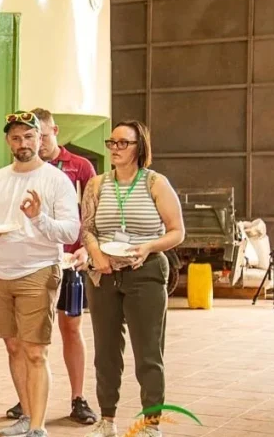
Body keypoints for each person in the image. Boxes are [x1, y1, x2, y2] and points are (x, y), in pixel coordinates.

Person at [0, 111, 80, 437]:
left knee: (35, 351)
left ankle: (37, 426)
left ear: (40, 138)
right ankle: (26, 414)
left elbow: (70, 231)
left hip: (38, 271)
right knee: (14, 347)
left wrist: (39, 217)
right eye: (16, 138)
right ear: (8, 141)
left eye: (29, 136)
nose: (23, 143)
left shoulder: (55, 180)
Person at [81, 121, 184, 437]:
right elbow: (87, 229)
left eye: (123, 143)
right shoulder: (97, 184)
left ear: (140, 147)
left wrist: (149, 247)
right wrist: (96, 253)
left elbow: (177, 231)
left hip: (146, 271)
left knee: (148, 353)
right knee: (106, 353)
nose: (115, 148)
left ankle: (151, 424)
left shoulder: (155, 183)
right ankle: (107, 419)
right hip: (104, 275)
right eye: (111, 142)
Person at [3, 109, 97, 425]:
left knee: (71, 328)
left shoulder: (79, 167)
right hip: (31, 264)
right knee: (25, 338)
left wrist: (86, 247)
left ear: (54, 131)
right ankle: (29, 399)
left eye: (41, 135)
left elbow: (92, 213)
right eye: (28, 136)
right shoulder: (18, 170)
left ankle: (78, 397)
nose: (35, 142)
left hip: (69, 262)